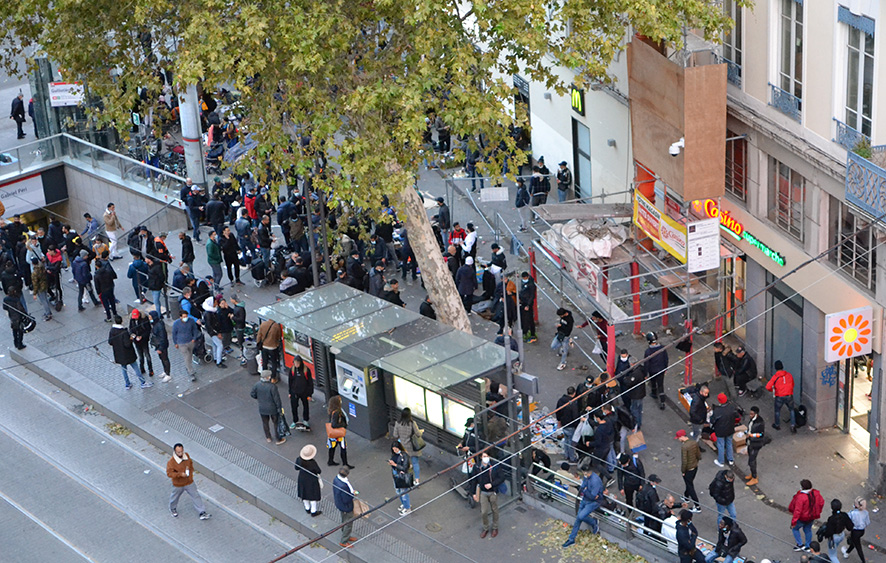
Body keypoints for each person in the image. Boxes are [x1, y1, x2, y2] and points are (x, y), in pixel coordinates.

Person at [166, 443, 211, 520]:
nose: (180, 453)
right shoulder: (171, 462)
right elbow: (169, 473)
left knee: (195, 495)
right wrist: (180, 474)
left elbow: (190, 464)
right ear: (175, 452)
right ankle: (172, 508)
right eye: (178, 452)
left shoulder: (186, 456)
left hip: (189, 482)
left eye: (181, 451)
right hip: (178, 484)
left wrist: (190, 474)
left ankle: (202, 512)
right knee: (175, 497)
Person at [562, 466, 604, 547]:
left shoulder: (595, 481)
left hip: (593, 502)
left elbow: (592, 496)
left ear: (587, 472)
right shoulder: (587, 477)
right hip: (586, 499)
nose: (583, 475)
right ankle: (571, 539)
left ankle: (593, 522)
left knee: (580, 516)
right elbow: (582, 488)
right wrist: (585, 491)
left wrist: (585, 490)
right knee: (578, 518)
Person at [108, 315, 151, 389]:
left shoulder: (112, 331)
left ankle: (127, 384)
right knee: (135, 367)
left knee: (124, 369)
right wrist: (131, 338)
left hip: (119, 354)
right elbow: (127, 344)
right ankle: (143, 382)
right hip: (128, 354)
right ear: (121, 321)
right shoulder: (124, 332)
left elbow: (110, 342)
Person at [471, 451, 504, 538]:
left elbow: (501, 478)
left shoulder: (495, 466)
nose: (486, 458)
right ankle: (485, 528)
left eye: (487, 456)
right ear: (481, 457)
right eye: (484, 456)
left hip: (493, 491)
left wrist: (492, 484)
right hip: (483, 492)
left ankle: (495, 527)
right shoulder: (477, 467)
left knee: (494, 510)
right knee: (484, 512)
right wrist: (473, 493)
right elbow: (473, 480)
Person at [250, 370, 286, 445]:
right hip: (272, 408)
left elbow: (252, 394)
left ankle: (268, 437)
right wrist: (279, 408)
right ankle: (278, 438)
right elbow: (277, 399)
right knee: (276, 423)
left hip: (262, 408)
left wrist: (259, 398)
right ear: (267, 377)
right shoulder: (272, 387)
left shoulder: (257, 385)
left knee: (265, 423)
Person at [790, 479, 826, 552]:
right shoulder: (816, 493)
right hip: (811, 517)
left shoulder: (801, 497)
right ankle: (808, 546)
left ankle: (800, 545)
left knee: (795, 529)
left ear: (803, 487)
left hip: (802, 518)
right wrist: (818, 511)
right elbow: (821, 502)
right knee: (808, 530)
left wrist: (793, 522)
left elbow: (797, 511)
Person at [392, 408, 424, 484]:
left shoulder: (397, 423)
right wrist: (421, 431)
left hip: (402, 447)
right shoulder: (412, 423)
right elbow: (418, 434)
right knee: (415, 463)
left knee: (403, 463)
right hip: (412, 447)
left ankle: (404, 480)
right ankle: (417, 481)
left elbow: (395, 435)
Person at [766, 359, 797, 433]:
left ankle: (777, 425)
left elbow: (768, 387)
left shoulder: (775, 377)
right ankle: (793, 425)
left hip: (779, 396)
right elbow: (792, 384)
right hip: (789, 395)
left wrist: (773, 390)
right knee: (792, 410)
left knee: (777, 411)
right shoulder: (789, 375)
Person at [675, 429, 702, 512]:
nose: (678, 439)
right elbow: (698, 455)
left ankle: (697, 506)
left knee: (690, 487)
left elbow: (684, 461)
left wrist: (683, 471)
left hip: (688, 469)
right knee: (689, 483)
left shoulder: (684, 447)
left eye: (679, 438)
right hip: (695, 467)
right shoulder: (694, 443)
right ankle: (686, 496)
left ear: (682, 437)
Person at [819, 499, 853, 563]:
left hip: (833, 538)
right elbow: (850, 527)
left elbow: (829, 532)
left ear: (832, 508)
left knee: (832, 556)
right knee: (834, 549)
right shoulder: (844, 515)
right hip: (841, 535)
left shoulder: (831, 519)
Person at [332, 467, 359, 548]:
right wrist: (353, 494)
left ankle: (346, 535)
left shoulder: (336, 479)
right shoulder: (343, 486)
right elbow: (346, 499)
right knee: (348, 523)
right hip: (346, 507)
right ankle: (344, 540)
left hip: (340, 504)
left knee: (344, 520)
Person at [171, 309, 200, 382]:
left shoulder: (191, 321)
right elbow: (174, 334)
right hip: (181, 343)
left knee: (190, 355)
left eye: (186, 316)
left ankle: (188, 367)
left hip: (190, 341)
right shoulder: (176, 324)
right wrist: (175, 343)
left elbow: (194, 329)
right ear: (180, 317)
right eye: (184, 316)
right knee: (187, 357)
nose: (185, 318)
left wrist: (194, 338)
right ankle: (191, 372)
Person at [295, 444, 322, 517]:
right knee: (312, 495)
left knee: (304, 494)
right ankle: (314, 511)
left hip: (302, 478)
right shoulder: (312, 462)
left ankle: (307, 508)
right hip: (311, 480)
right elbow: (318, 471)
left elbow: (296, 468)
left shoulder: (299, 459)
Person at [326, 395, 354, 467]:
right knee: (343, 448)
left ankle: (330, 461)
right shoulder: (337, 412)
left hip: (333, 435)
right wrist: (343, 425)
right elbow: (334, 425)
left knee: (332, 447)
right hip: (338, 434)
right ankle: (345, 464)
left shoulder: (331, 410)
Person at [710, 393, 736, 467]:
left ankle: (721, 461)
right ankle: (730, 459)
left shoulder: (717, 411)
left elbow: (712, 421)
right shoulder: (732, 407)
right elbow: (736, 415)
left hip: (720, 431)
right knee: (729, 443)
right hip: (730, 429)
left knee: (721, 445)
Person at [644, 331, 668, 410]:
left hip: (652, 370)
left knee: (653, 382)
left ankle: (654, 393)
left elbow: (646, 363)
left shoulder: (648, 352)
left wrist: (645, 373)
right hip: (661, 370)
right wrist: (665, 368)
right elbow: (666, 359)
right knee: (661, 385)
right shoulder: (662, 348)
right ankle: (662, 402)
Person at [389, 441, 414, 516]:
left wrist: (395, 464)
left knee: (403, 493)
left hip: (401, 475)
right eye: (393, 449)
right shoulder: (394, 455)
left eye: (396, 449)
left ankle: (407, 508)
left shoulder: (404, 455)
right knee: (398, 491)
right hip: (395, 474)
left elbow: (405, 467)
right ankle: (404, 504)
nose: (395, 451)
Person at [288, 355, 313, 429]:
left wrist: (310, 394)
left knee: (305, 406)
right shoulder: (292, 370)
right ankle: (295, 421)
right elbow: (290, 381)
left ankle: (305, 420)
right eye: (295, 363)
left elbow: (310, 383)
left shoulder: (306, 370)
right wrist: (290, 392)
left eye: (297, 363)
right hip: (294, 392)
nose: (296, 365)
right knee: (294, 407)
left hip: (304, 392)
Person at [555, 387, 580, 463]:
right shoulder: (573, 403)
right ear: (574, 393)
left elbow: (558, 411)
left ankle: (566, 455)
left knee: (566, 440)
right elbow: (575, 416)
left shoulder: (561, 400)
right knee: (571, 442)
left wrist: (559, 421)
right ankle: (572, 458)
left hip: (564, 423)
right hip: (571, 425)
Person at [202, 300, 227, 369]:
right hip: (213, 332)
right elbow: (210, 325)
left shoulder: (209, 312)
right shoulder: (209, 314)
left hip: (213, 332)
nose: (216, 303)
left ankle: (216, 358)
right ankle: (219, 361)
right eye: (215, 302)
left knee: (215, 345)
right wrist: (217, 333)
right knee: (220, 345)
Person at [129, 309, 154, 377]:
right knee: (140, 357)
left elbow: (148, 330)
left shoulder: (144, 319)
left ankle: (150, 369)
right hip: (136, 342)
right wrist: (134, 336)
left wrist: (142, 336)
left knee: (147, 355)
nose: (135, 318)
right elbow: (130, 330)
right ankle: (142, 369)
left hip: (144, 341)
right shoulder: (132, 320)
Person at [94, 251, 118, 322]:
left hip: (103, 290)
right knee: (112, 301)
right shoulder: (107, 271)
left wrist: (98, 292)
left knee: (106, 304)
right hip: (110, 287)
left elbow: (97, 285)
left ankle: (109, 316)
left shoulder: (96, 276)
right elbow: (111, 278)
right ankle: (115, 313)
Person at [844, 497, 870, 562]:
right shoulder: (866, 512)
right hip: (862, 531)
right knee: (855, 542)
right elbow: (868, 522)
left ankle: (863, 561)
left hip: (855, 531)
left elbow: (847, 521)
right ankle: (847, 552)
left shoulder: (852, 513)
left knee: (858, 547)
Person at [745, 405, 765, 486]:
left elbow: (760, 434)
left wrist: (751, 436)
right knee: (751, 459)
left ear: (756, 414)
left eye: (752, 414)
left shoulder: (760, 422)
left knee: (751, 461)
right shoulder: (752, 420)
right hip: (751, 442)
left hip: (756, 443)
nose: (750, 415)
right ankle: (753, 474)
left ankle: (754, 477)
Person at [149, 310, 172, 382]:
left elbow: (163, 337)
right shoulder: (156, 324)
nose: (149, 318)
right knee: (162, 359)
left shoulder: (159, 325)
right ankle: (165, 371)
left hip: (162, 346)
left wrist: (160, 348)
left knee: (165, 359)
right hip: (158, 345)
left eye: (150, 317)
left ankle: (168, 374)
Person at [519, 272, 537, 343]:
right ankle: (526, 332)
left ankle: (530, 333)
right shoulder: (524, 282)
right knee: (524, 318)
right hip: (523, 302)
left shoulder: (531, 285)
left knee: (528, 319)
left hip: (527, 304)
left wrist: (528, 305)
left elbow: (532, 296)